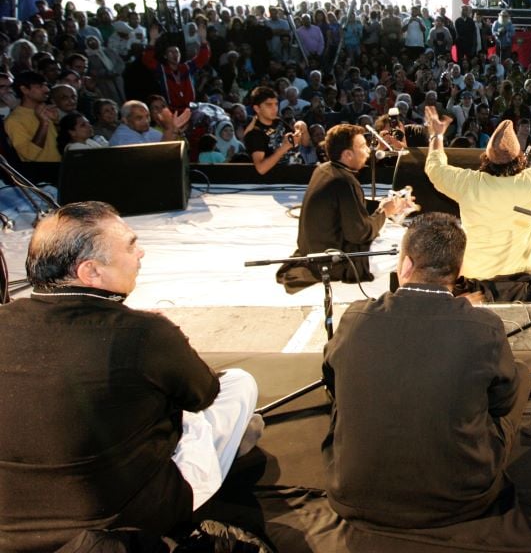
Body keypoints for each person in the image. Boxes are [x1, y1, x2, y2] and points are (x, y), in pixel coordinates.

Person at [0, 202, 262, 551]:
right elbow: (203, 393)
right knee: (237, 385)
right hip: (123, 522)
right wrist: (155, 335)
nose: (141, 252)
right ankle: (221, 453)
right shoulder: (144, 333)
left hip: (11, 527)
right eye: (129, 245)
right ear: (91, 272)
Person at [322, 212, 531, 529]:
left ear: (405, 265)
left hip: (351, 494)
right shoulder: (483, 326)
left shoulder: (354, 318)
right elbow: (501, 402)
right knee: (521, 375)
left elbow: (333, 385)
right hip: (462, 500)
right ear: (458, 271)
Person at [423, 97, 531, 300]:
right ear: (520, 158)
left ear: (486, 158)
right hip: (522, 273)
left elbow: (435, 168)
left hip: (477, 274)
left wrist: (436, 136)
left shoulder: (469, 183)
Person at [277, 123, 416, 289]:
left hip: (317, 251)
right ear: (348, 154)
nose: (367, 151)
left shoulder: (324, 169)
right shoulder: (344, 181)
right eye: (363, 147)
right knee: (413, 248)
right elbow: (361, 234)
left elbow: (350, 208)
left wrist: (388, 206)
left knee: (402, 238)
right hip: (335, 261)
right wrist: (384, 212)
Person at [243, 86, 308, 175]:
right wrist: (283, 148)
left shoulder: (278, 121)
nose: (274, 108)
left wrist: (302, 128)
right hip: (276, 182)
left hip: (296, 173)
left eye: (276, 104)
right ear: (257, 108)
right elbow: (261, 169)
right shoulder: (254, 133)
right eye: (269, 105)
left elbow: (304, 143)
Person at [4, 71, 60, 162]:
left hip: (60, 168)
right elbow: (29, 154)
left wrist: (57, 123)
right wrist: (44, 124)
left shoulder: (46, 111)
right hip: (40, 172)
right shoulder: (14, 120)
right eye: (40, 86)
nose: (47, 90)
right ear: (24, 89)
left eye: (46, 85)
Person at [108, 99, 191, 146]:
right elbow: (153, 158)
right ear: (125, 120)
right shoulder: (122, 138)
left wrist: (174, 129)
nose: (146, 121)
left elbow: (166, 144)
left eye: (147, 116)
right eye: (139, 118)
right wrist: (170, 129)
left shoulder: (145, 130)